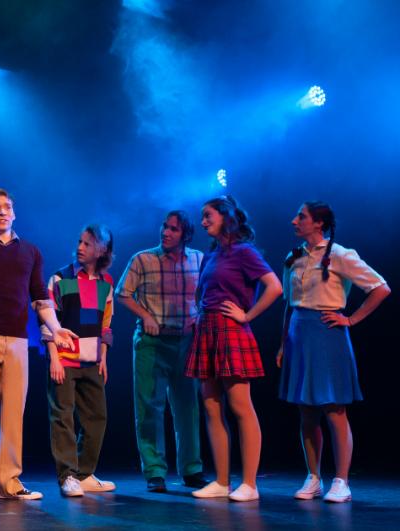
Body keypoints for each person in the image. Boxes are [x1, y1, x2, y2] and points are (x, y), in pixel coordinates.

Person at [0, 188, 77, 506]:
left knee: (13, 412)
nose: (2, 211)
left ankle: (9, 482)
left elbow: (40, 296)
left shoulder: (30, 251)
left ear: (14, 213)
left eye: (6, 207)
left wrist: (56, 328)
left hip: (18, 339)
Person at [278, 201, 390, 503]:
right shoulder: (293, 257)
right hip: (299, 334)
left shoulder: (340, 254)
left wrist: (350, 319)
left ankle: (341, 481)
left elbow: (381, 288)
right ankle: (313, 477)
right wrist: (283, 343)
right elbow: (288, 304)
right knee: (306, 410)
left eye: (301, 216)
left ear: (319, 223)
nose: (294, 221)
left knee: (334, 409)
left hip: (328, 333)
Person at [184, 195, 282, 502]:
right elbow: (202, 291)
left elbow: (275, 287)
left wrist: (247, 315)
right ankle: (222, 481)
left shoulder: (244, 251)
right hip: (207, 329)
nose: (203, 222)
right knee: (211, 405)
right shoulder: (212, 254)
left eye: (208, 215)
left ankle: (250, 484)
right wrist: (199, 313)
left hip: (231, 330)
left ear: (225, 217)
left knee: (240, 406)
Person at [116, 211, 207, 493]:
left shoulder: (199, 259)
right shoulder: (143, 259)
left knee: (188, 407)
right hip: (152, 341)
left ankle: (191, 469)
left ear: (186, 235)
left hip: (187, 340)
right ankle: (155, 471)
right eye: (165, 227)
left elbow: (206, 295)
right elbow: (122, 293)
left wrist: (200, 318)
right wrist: (146, 316)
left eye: (173, 229)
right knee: (149, 407)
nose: (166, 232)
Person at [45, 224, 116, 498]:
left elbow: (105, 324)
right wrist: (54, 358)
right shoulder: (60, 278)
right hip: (64, 359)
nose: (80, 247)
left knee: (96, 417)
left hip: (92, 361)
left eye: (87, 243)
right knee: (63, 417)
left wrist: (103, 357)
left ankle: (84, 474)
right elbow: (48, 321)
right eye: (79, 241)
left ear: (102, 249)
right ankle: (68, 476)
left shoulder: (106, 283)